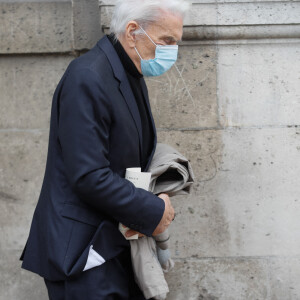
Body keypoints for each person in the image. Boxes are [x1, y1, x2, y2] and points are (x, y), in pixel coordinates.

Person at [20, 0, 190, 299]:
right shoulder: (88, 75)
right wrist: (153, 210)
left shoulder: (127, 72)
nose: (171, 50)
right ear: (133, 31)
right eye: (167, 40)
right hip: (84, 254)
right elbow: (88, 175)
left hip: (114, 244)